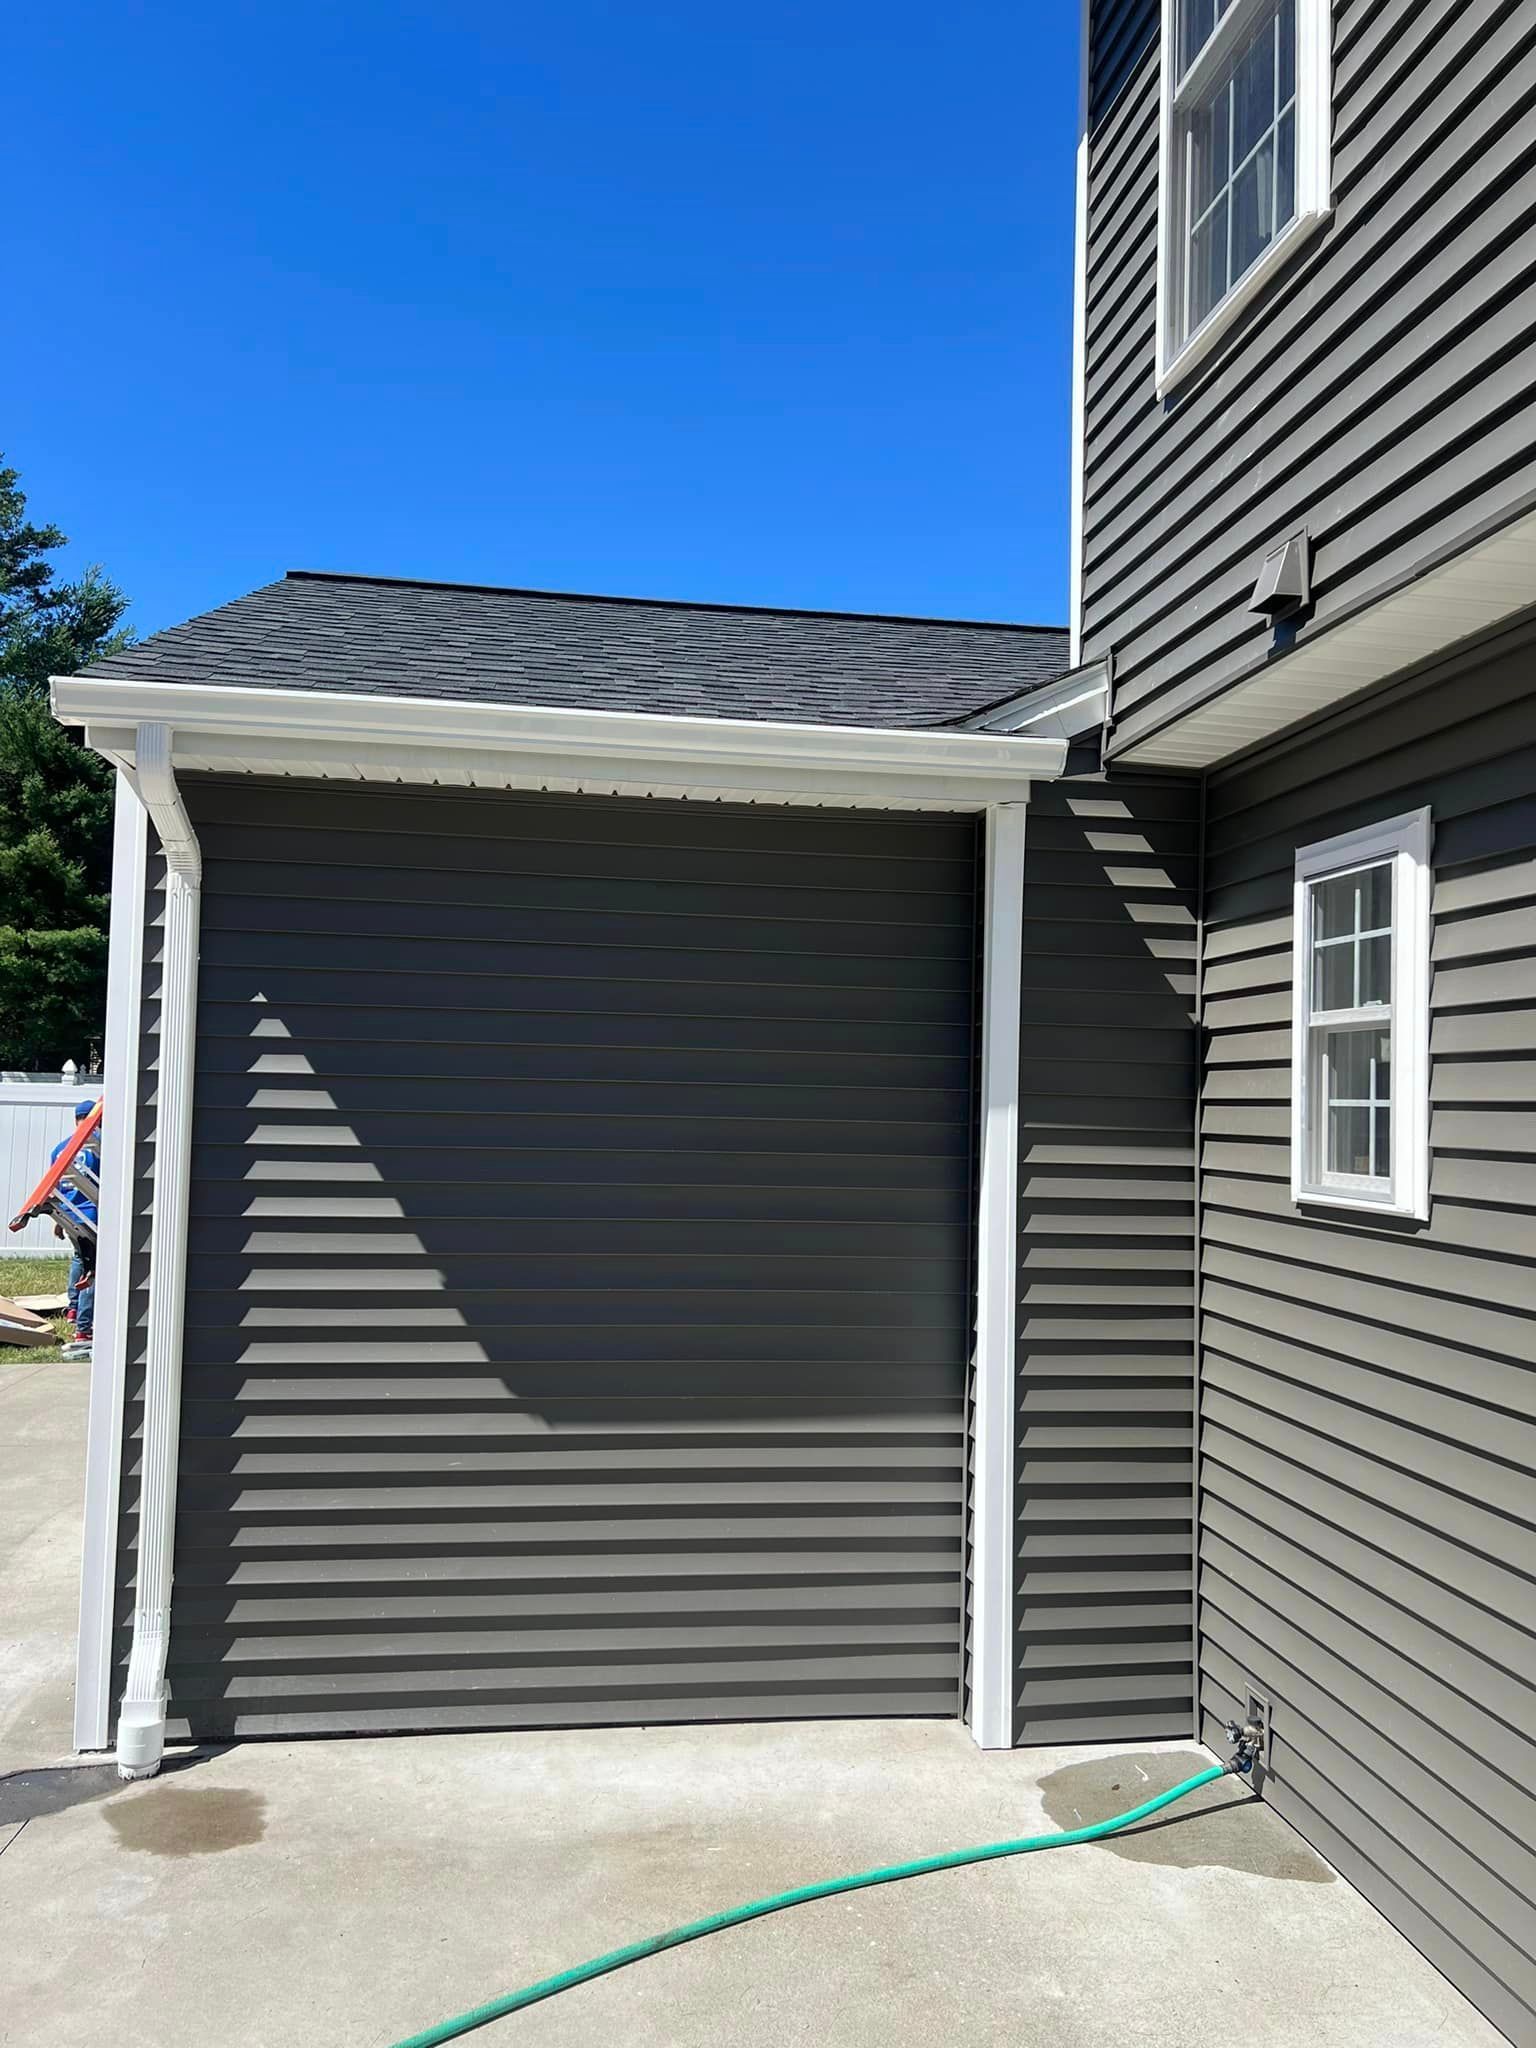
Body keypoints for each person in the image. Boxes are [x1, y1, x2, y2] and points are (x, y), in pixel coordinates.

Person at [51, 1100, 100, 1362]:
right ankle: (84, 1328)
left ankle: (72, 1308)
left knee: (79, 1259)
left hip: (68, 1214)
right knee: (93, 1267)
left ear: (75, 1119)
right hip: (92, 1214)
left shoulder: (60, 1148)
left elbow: (56, 1185)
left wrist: (58, 1219)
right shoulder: (97, 1146)